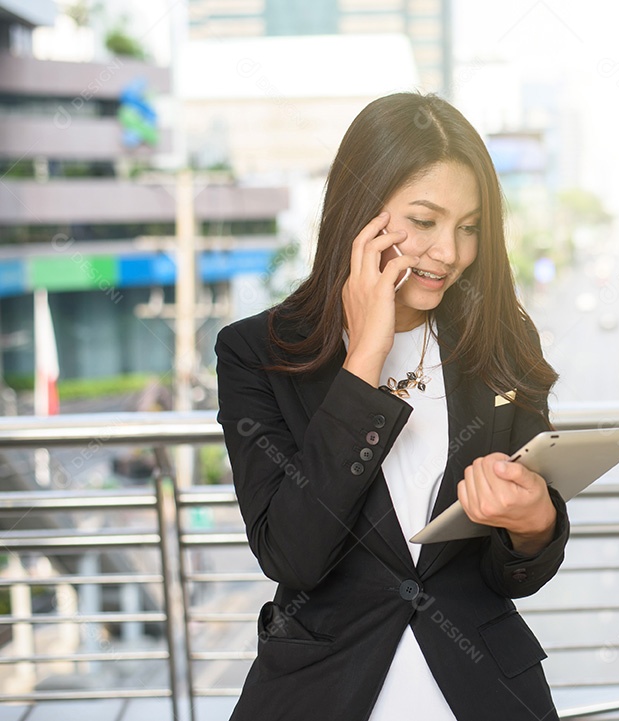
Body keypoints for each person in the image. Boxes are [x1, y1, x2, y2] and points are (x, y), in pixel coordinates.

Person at [215, 92, 568, 721]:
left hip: (483, 692)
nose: (451, 254)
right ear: (361, 212)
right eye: (425, 221)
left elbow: (513, 578)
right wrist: (365, 357)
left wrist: (534, 520)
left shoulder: (503, 342)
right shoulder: (256, 353)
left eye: (470, 227)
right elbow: (293, 554)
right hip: (322, 692)